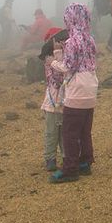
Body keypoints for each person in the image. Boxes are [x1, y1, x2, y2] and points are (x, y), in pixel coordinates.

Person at [49, 3, 99, 184]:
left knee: (70, 132)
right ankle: (85, 161)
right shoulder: (90, 39)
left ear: (69, 19)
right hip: (91, 85)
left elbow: (67, 67)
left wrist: (54, 59)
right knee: (85, 129)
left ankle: (70, 169)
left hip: (77, 89)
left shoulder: (71, 42)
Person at [39, 26, 67, 171]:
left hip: (64, 102)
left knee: (64, 133)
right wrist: (57, 57)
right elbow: (57, 80)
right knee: (51, 132)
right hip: (52, 103)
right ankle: (50, 158)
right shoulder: (49, 61)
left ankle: (66, 157)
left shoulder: (64, 58)